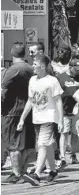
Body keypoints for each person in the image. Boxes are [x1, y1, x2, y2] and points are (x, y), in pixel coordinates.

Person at [19, 55, 64, 186]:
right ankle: (53, 171)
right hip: (37, 118)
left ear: (42, 66)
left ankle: (37, 174)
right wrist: (22, 118)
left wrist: (60, 120)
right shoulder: (33, 80)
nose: (32, 66)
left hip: (49, 117)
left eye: (35, 64)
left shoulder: (52, 81)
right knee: (47, 145)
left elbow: (58, 101)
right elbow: (30, 100)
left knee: (42, 144)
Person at [1, 43, 36, 184]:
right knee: (25, 143)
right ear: (25, 53)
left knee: (12, 143)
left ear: (11, 52)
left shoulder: (12, 70)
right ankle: (23, 171)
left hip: (11, 112)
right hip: (28, 109)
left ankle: (16, 174)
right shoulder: (30, 69)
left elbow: (2, 91)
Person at [55, 57, 79, 169]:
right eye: (76, 69)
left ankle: (73, 154)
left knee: (75, 134)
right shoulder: (61, 77)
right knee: (64, 133)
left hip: (77, 111)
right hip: (64, 110)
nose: (78, 71)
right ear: (70, 67)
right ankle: (63, 157)